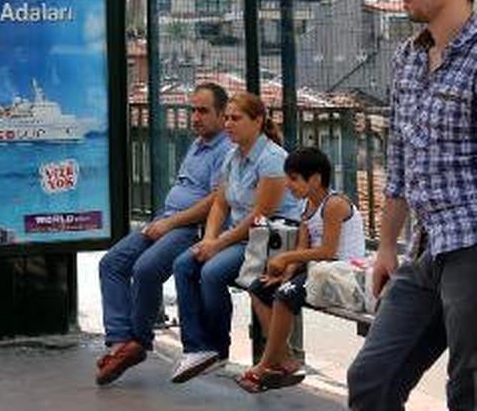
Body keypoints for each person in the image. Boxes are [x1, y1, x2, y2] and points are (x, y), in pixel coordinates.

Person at [348, 0, 477, 411]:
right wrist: (386, 246)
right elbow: (401, 158)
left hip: (471, 246)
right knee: (371, 379)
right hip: (425, 247)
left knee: (468, 387)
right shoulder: (408, 57)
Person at [96, 82, 233, 385]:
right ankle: (121, 342)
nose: (195, 117)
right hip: (167, 218)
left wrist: (169, 224)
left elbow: (216, 201)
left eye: (203, 111)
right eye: (193, 110)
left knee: (145, 269)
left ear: (223, 113)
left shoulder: (225, 149)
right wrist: (164, 221)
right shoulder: (198, 143)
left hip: (189, 228)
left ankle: (137, 341)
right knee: (112, 263)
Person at [170, 91, 301, 383]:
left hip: (269, 239)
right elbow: (220, 203)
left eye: (236, 118)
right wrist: (209, 239)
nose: (228, 124)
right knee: (184, 264)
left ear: (258, 121)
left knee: (212, 272)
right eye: (227, 118)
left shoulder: (272, 160)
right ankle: (196, 348)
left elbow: (259, 216)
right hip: (241, 238)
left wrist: (218, 244)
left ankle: (218, 349)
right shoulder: (232, 156)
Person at [238, 146, 366, 393]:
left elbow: (328, 251)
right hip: (318, 270)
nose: (288, 185)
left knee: (284, 296)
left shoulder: (334, 205)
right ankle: (284, 358)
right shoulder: (306, 206)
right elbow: (303, 246)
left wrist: (286, 258)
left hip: (340, 272)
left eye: (294, 179)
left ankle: (265, 364)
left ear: (315, 179)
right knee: (259, 288)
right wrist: (286, 274)